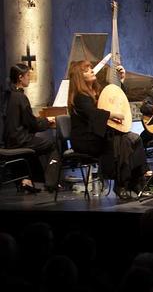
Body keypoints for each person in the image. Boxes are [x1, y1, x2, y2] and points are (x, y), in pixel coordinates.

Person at [67, 60, 145, 199]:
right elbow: (93, 113)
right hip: (85, 139)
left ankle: (135, 180)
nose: (91, 70)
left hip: (98, 134)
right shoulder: (80, 97)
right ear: (79, 77)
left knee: (134, 138)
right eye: (86, 70)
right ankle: (122, 183)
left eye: (91, 68)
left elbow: (115, 100)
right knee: (122, 140)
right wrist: (112, 114)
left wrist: (121, 81)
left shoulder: (96, 92)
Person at [2, 64, 59, 192]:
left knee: (37, 145)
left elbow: (25, 121)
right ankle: (51, 183)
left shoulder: (10, 95)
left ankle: (27, 180)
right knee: (52, 145)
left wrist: (41, 121)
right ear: (20, 77)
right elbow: (31, 124)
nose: (29, 78)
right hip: (21, 140)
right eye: (28, 75)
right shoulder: (20, 97)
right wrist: (47, 122)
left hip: (11, 140)